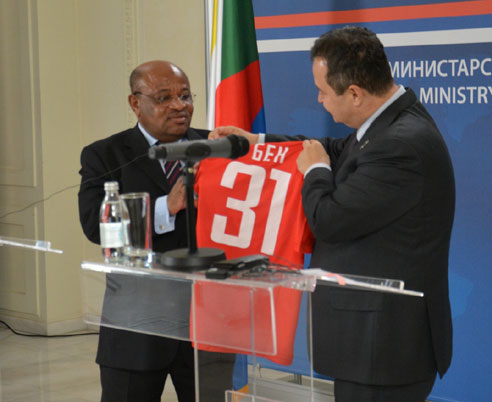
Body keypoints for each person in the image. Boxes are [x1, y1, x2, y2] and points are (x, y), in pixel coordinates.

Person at [210, 26, 455, 402]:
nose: (319, 99)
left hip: (383, 350)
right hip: (371, 345)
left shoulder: (400, 145)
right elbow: (333, 150)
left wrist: (314, 171)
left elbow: (329, 219)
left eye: (323, 91)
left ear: (355, 93)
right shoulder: (388, 122)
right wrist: (256, 141)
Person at [78, 60, 235, 402]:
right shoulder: (105, 154)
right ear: (135, 103)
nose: (179, 106)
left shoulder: (218, 146)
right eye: (164, 98)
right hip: (138, 324)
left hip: (206, 321)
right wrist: (166, 207)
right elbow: (94, 225)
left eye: (185, 95)